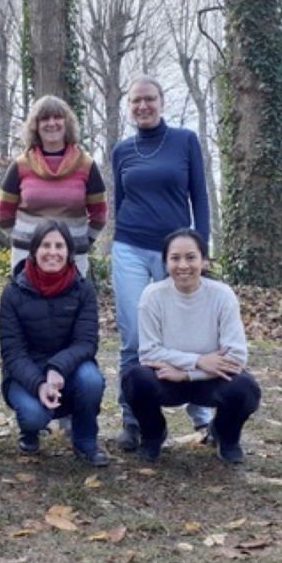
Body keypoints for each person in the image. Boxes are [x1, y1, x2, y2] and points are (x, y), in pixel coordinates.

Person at [111, 77, 212, 451]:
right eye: (135, 101)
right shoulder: (122, 150)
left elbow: (199, 197)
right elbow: (120, 201)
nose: (143, 106)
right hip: (130, 249)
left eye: (149, 99)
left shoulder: (185, 141)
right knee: (134, 338)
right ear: (129, 106)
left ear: (162, 101)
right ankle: (132, 419)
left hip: (179, 253)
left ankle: (202, 416)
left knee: (187, 331)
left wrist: (201, 249)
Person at [121, 228, 261, 464]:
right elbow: (148, 353)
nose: (183, 265)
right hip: (167, 378)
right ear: (165, 262)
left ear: (204, 261)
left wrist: (188, 374)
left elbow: (236, 356)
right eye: (175, 258)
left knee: (245, 388)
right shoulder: (153, 296)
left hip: (210, 378)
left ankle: (226, 436)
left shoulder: (222, 295)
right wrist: (198, 360)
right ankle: (153, 434)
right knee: (135, 378)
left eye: (191, 257)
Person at [0, 220, 109, 466]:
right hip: (25, 372)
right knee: (34, 416)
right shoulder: (13, 292)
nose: (52, 252)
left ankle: (86, 441)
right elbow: (12, 352)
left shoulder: (83, 289)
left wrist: (57, 367)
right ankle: (30, 430)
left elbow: (86, 342)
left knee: (91, 381)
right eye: (45, 245)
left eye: (59, 246)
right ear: (34, 251)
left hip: (70, 368)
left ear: (69, 252)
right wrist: (39, 383)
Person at [0, 95, 107, 276]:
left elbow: (100, 214)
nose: (51, 123)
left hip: (73, 257)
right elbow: (3, 215)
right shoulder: (20, 165)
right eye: (44, 118)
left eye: (57, 117)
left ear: (67, 122)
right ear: (35, 126)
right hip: (26, 257)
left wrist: (82, 241)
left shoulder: (87, 166)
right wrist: (25, 239)